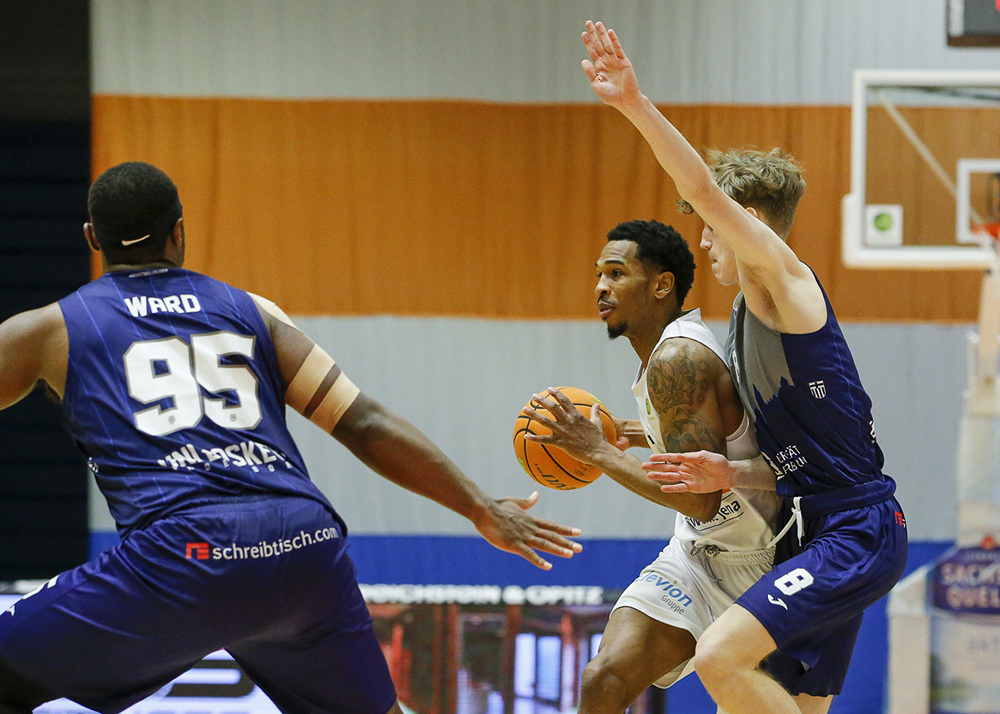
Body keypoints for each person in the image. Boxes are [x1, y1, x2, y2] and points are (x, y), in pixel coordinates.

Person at [0, 161, 583, 714]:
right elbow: (364, 422)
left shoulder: (51, 329)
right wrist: (481, 508)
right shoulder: (249, 310)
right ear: (179, 231)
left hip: (187, 553)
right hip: (303, 546)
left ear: (91, 238)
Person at [579, 20, 908, 714]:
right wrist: (724, 471)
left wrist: (633, 103)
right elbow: (784, 465)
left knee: (719, 657)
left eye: (711, 225)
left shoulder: (785, 284)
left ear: (745, 220)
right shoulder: (742, 317)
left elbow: (701, 187)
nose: (704, 239)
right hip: (811, 528)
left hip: (854, 530)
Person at [522, 219, 779, 714]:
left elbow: (700, 500)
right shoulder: (666, 354)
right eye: (598, 275)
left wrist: (599, 451)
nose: (600, 287)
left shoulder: (677, 358)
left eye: (617, 274)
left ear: (662, 285)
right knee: (603, 678)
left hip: (758, 564)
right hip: (696, 554)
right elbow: (702, 437)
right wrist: (625, 430)